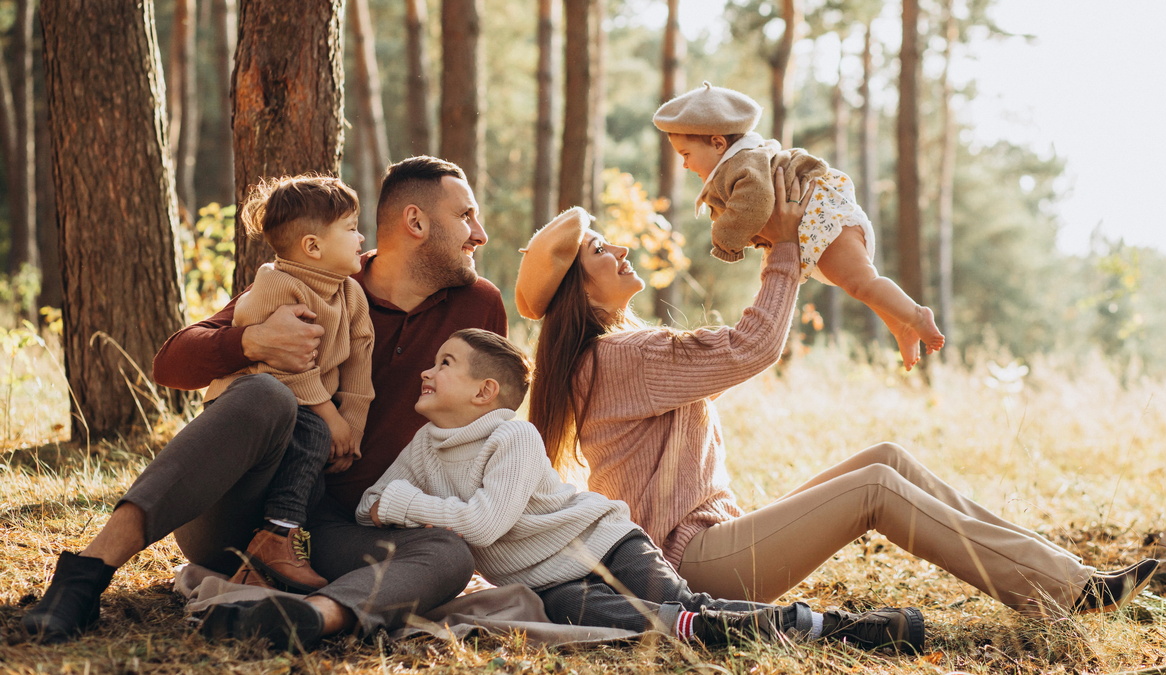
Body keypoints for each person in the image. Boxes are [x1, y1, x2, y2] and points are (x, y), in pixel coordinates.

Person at [513, 172, 1159, 620]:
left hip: (710, 540)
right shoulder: (620, 357)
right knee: (875, 487)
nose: (620, 247)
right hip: (694, 566)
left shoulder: (612, 354)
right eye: (601, 249)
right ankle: (1065, 590)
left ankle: (1063, 575)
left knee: (887, 456)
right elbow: (752, 346)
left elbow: (739, 344)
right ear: (578, 286)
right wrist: (786, 249)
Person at [21, 156, 508, 651]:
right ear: (417, 222)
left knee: (449, 553)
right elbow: (170, 364)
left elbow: (488, 427)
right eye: (465, 215)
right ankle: (84, 576)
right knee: (265, 393)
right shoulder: (316, 277)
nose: (480, 234)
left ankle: (306, 617)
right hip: (238, 511)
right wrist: (250, 341)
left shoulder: (479, 306)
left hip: (342, 532)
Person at [352, 328, 925, 653]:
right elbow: (365, 502)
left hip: (605, 541)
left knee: (684, 607)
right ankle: (792, 628)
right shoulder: (425, 445)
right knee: (660, 625)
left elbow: (478, 523)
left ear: (484, 392)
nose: (427, 372)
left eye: (444, 363)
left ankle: (843, 627)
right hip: (549, 585)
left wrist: (402, 505)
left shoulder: (513, 436)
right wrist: (391, 502)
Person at [654, 81, 943, 370]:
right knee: (860, 284)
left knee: (862, 283)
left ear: (718, 143)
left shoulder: (744, 164)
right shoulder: (739, 162)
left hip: (825, 223)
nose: (685, 165)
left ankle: (916, 315)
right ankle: (901, 326)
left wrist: (725, 238)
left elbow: (755, 202)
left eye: (686, 154)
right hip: (815, 229)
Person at [203, 175, 374, 594]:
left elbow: (359, 364)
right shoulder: (276, 285)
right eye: (351, 229)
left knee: (311, 479)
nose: (361, 237)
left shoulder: (350, 294)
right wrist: (329, 416)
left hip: (307, 412)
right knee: (313, 433)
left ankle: (263, 562)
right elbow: (282, 367)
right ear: (313, 246)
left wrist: (351, 427)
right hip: (256, 404)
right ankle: (276, 541)